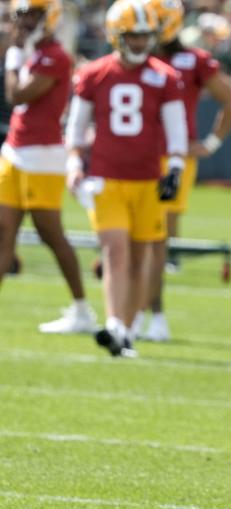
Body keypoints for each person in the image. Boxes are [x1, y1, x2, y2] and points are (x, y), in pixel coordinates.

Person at [65, 0, 187, 357]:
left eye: (144, 36)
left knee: (140, 258)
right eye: (132, 36)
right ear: (116, 35)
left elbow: (175, 128)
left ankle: (127, 332)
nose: (138, 43)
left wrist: (176, 166)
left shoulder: (164, 75)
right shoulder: (95, 73)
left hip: (148, 178)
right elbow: (77, 126)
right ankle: (116, 323)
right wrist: (74, 162)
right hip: (106, 176)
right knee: (114, 251)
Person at [137, 0, 231, 343]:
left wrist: (210, 143)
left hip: (172, 159)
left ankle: (153, 317)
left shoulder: (192, 60)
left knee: (156, 242)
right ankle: (130, 314)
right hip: (134, 157)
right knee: (130, 240)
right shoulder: (134, 56)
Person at [0, 0, 96, 334]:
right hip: (14, 151)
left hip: (42, 155)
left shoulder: (55, 56)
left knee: (50, 235)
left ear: (49, 17)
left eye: (33, 14)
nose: (25, 21)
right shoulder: (32, 50)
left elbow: (18, 95)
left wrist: (12, 58)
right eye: (22, 14)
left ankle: (82, 309)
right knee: (2, 232)